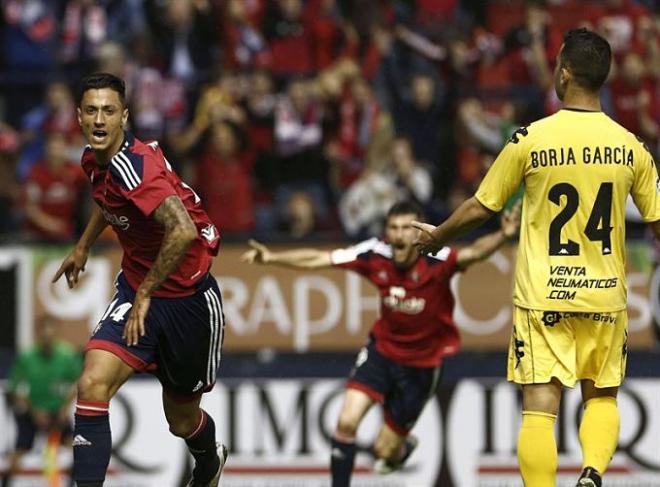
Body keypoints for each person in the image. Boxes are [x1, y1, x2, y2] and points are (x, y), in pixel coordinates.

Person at [412, 28, 660, 487]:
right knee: (601, 398)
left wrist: (437, 237)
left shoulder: (530, 138)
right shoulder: (632, 147)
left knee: (539, 409)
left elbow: (481, 207)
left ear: (565, 74)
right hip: (605, 296)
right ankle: (591, 471)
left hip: (545, 295)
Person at [242, 200, 521, 487]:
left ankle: (402, 449)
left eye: (406, 228)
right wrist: (272, 258)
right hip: (381, 353)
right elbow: (320, 259)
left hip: (421, 367)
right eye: (393, 228)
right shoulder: (375, 253)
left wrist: (502, 235)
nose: (399, 235)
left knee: (383, 452)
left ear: (420, 232)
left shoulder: (438, 257)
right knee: (346, 423)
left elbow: (474, 253)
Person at [52, 73, 227, 487]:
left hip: (188, 299)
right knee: (92, 383)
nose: (99, 119)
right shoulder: (95, 161)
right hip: (138, 288)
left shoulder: (135, 167)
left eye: (109, 111)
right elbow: (109, 200)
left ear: (124, 117)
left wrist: (148, 292)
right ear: (79, 116)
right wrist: (83, 245)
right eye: (91, 110)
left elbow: (182, 230)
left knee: (181, 420)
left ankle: (208, 458)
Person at [1, 317, 82, 487]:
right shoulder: (27, 357)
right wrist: (33, 410)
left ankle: (71, 482)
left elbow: (77, 383)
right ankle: (6, 482)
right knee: (21, 450)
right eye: (44, 332)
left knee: (77, 449)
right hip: (33, 411)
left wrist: (64, 408)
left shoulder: (66, 356)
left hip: (57, 412)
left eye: (51, 332)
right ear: (38, 334)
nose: (47, 336)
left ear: (56, 334)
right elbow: (16, 388)